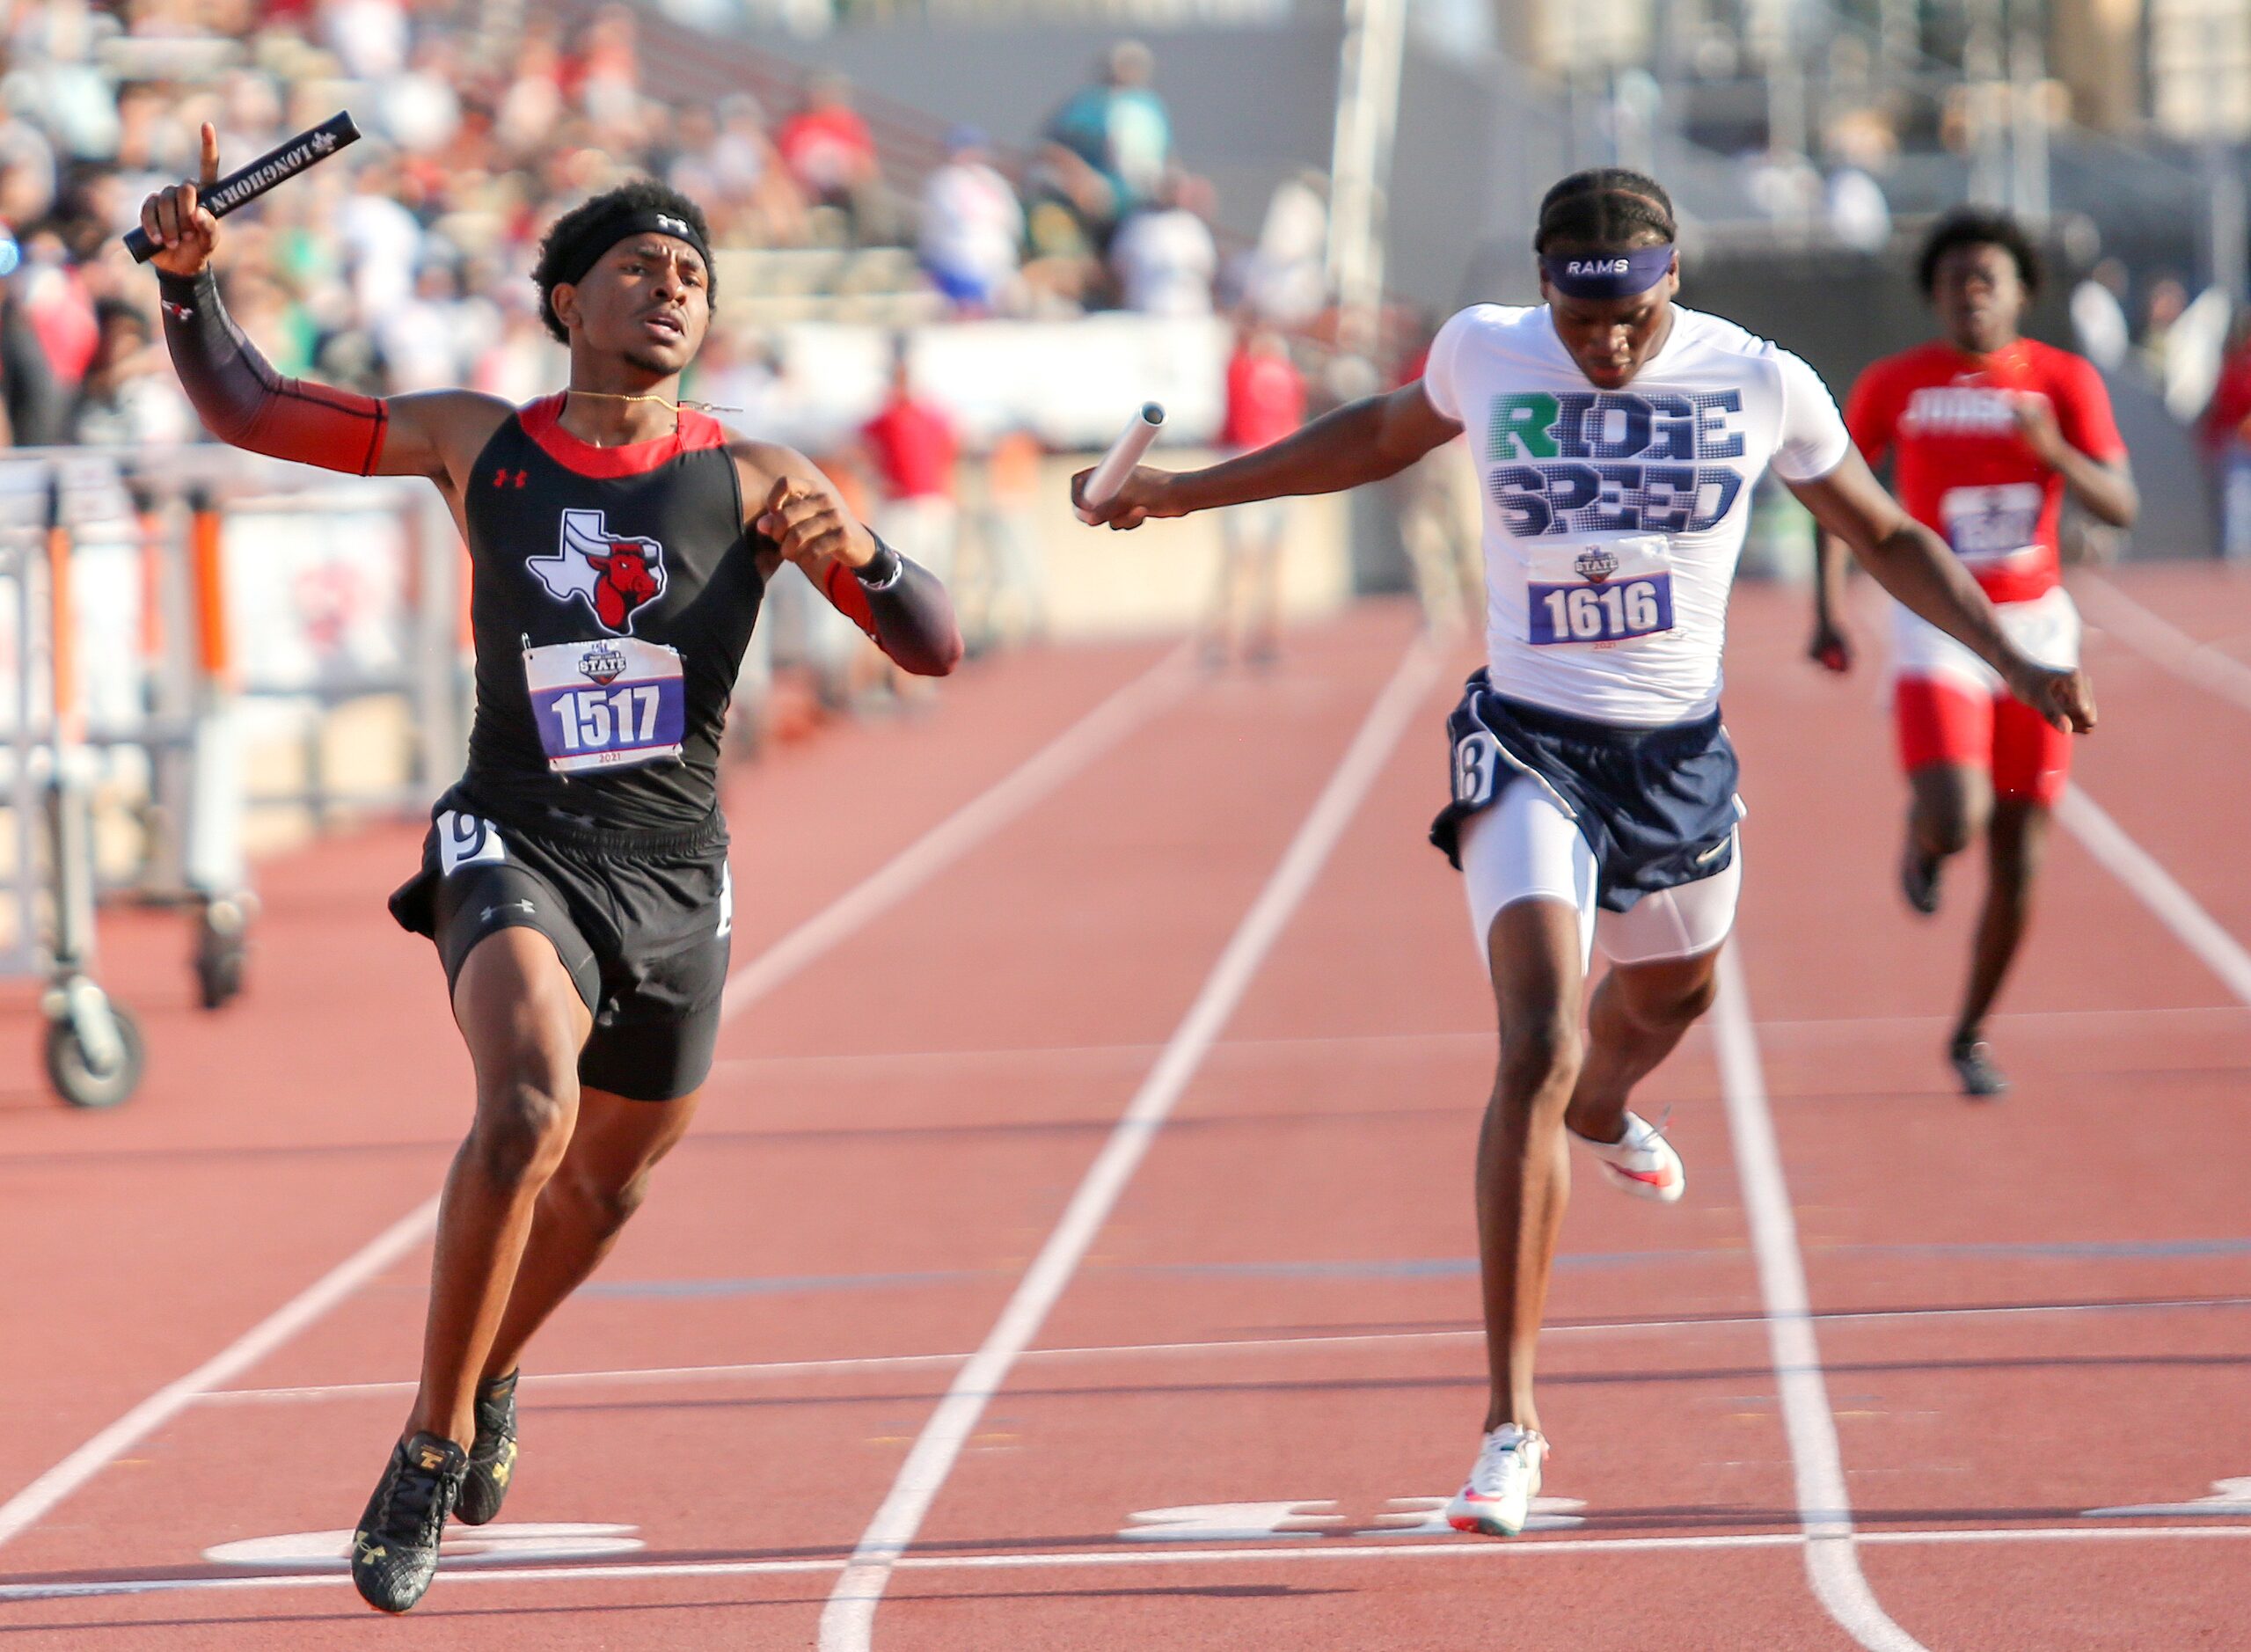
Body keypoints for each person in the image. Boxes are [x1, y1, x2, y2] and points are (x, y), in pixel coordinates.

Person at [1076, 168, 2094, 1542]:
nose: (1601, 346)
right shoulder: (1485, 347)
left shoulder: (1759, 381)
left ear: (1669, 279)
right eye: (1576, 316)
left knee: (1672, 999)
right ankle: (1508, 1424)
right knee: (1533, 1040)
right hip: (1529, 739)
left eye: (1627, 317)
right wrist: (1187, 495)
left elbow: (1885, 530)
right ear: (1544, 281)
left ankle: (1606, 1109)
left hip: (1676, 760)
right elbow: (1375, 436)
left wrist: (2006, 650)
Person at [141, 135, 960, 1614]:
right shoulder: (480, 441)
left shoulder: (756, 472)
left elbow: (933, 647)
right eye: (640, 265)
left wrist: (876, 567)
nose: (670, 288)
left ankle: (499, 1359)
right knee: (525, 1103)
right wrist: (190, 289)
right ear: (565, 298)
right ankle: (427, 1445)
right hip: (513, 834)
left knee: (604, 1192)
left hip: (675, 873)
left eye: (694, 274)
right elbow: (252, 407)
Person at [1809, 208, 2134, 1097]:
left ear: (2022, 289)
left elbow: (2122, 505)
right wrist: (1828, 610)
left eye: (1988, 276)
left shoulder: (2062, 381)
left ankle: (1972, 1032)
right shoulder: (1895, 383)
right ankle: (1925, 843)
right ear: (1935, 296)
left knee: (2022, 849)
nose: (1972, 292)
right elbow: (1839, 495)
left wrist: (2054, 451)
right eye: (1955, 280)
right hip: (1937, 626)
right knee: (1958, 811)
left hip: (2038, 630)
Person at [1208, 324, 1305, 666]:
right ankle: (1258, 635)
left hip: (1250, 463)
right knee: (1262, 556)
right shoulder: (1284, 371)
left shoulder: (1243, 368)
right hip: (1275, 463)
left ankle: (1235, 635)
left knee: (1246, 557)